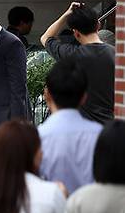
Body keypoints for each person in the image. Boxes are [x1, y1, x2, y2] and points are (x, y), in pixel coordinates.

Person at [41, 2, 115, 124]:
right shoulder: (117, 55)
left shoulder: (71, 54)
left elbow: (45, 38)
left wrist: (67, 14)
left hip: (82, 127)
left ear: (76, 33)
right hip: (111, 128)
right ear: (98, 25)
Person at [38, 59, 102, 194]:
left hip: (52, 212)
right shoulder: (99, 135)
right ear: (84, 97)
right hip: (91, 212)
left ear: (47, 95)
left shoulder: (37, 137)